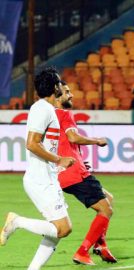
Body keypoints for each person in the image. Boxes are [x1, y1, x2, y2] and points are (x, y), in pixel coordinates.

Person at [0, 67, 75, 270]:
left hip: (46, 177)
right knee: (64, 228)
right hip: (41, 178)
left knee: (56, 230)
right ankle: (17, 222)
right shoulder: (42, 108)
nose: (62, 86)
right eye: (59, 83)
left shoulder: (46, 109)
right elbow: (32, 143)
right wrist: (59, 160)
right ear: (54, 87)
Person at [55, 82, 117, 265]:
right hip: (75, 173)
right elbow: (73, 137)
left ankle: (101, 244)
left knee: (108, 198)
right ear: (57, 97)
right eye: (67, 92)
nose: (71, 95)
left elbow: (64, 143)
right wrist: (97, 141)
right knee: (106, 210)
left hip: (64, 173)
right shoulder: (65, 114)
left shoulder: (51, 116)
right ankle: (83, 251)